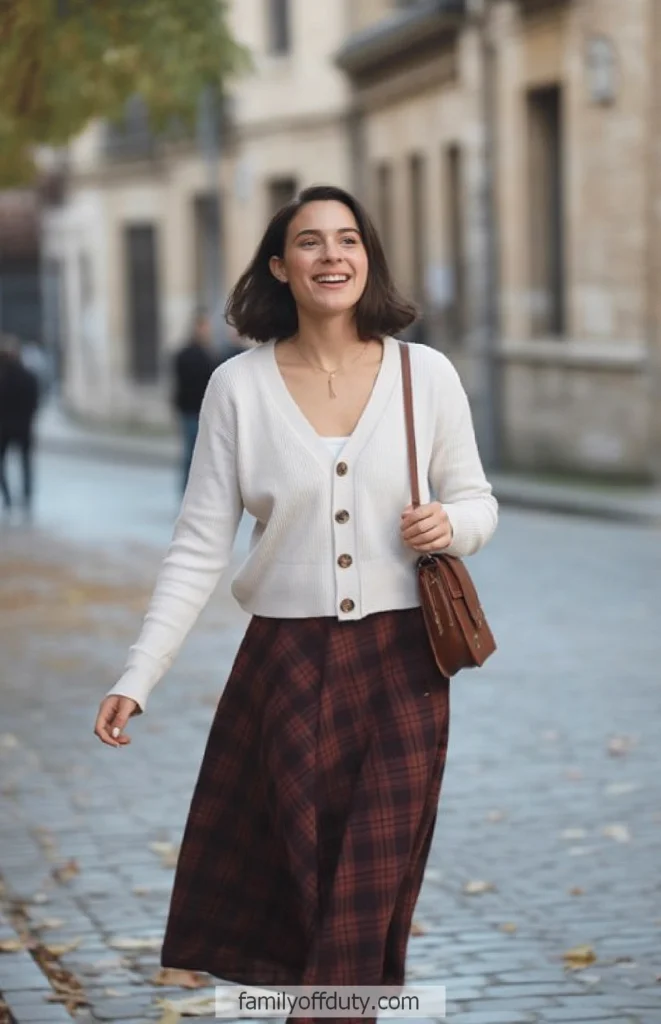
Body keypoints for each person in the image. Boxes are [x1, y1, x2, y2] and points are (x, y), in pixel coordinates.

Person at [94, 185, 498, 1017]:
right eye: (309, 242)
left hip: (402, 667)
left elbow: (480, 502)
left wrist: (449, 523)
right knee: (304, 889)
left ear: (367, 259)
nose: (332, 256)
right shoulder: (236, 390)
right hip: (282, 668)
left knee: (366, 893)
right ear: (280, 267)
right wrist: (139, 674)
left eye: (347, 239)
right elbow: (199, 546)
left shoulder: (426, 375)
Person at [171, 309, 217, 493]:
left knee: (200, 455)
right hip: (191, 410)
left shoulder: (209, 353)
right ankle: (188, 491)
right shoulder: (187, 354)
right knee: (192, 454)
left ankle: (196, 491)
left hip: (201, 411)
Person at [0, 336, 40, 515]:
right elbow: (35, 403)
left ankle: (8, 498)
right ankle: (26, 497)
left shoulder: (3, 379)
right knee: (26, 464)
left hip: (3, 429)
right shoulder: (29, 377)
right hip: (24, 427)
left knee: (4, 464)